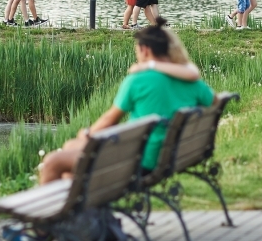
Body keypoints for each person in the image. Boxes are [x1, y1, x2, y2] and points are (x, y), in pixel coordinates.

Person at [39, 18, 213, 185]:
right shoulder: (193, 83)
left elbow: (110, 119)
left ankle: (54, 213)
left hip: (139, 161)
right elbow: (213, 101)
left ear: (145, 50)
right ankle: (80, 204)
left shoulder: (138, 80)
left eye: (137, 50)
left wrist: (88, 133)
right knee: (71, 146)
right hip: (170, 156)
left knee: (53, 161)